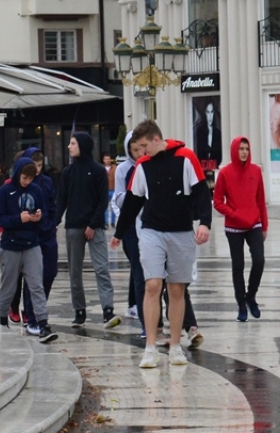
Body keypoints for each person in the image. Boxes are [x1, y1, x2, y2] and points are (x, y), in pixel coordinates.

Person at [114, 120, 211, 368]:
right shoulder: (143, 166)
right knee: (153, 284)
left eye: (145, 146)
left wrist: (204, 223)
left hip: (180, 231)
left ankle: (176, 345)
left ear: (156, 139)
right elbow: (133, 203)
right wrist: (119, 232)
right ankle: (150, 347)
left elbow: (201, 193)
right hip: (151, 231)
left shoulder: (186, 158)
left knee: (177, 289)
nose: (142, 152)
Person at [0, 158, 58, 343]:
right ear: (18, 173)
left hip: (32, 244)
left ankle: (43, 323)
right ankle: (3, 320)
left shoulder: (36, 190)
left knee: (36, 284)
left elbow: (43, 213)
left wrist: (38, 218)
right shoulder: (5, 191)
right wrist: (18, 219)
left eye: (30, 178)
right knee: (9, 286)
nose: (27, 182)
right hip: (11, 245)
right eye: (24, 177)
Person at [58, 132, 119, 329]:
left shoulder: (98, 170)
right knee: (74, 271)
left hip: (95, 227)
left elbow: (103, 200)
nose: (69, 147)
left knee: (101, 267)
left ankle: (107, 310)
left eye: (72, 143)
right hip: (74, 226)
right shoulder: (68, 172)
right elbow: (62, 200)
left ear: (82, 145)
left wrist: (93, 225)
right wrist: (53, 221)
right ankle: (79, 310)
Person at [212, 135, 268, 322]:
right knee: (238, 266)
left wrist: (264, 225)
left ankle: (251, 296)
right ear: (234, 150)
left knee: (259, 260)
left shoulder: (256, 171)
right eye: (241, 149)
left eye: (247, 149)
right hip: (234, 226)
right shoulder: (225, 173)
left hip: (254, 223)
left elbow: (260, 200)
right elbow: (218, 201)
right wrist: (233, 213)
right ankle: (241, 304)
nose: (244, 152)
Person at [19, 148, 58, 335]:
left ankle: (37, 306)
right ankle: (32, 315)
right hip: (31, 235)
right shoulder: (22, 184)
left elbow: (52, 205)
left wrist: (52, 223)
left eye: (41, 166)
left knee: (50, 272)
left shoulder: (47, 182)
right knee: (33, 276)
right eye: (35, 166)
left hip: (48, 232)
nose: (38, 170)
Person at [110, 135, 145, 333]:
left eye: (142, 148)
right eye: (134, 149)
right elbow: (118, 199)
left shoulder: (150, 164)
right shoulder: (123, 169)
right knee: (138, 270)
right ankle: (143, 317)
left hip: (150, 225)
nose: (139, 153)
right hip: (130, 228)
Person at [193, 100, 222, 165]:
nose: (210, 116)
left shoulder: (217, 133)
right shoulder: (200, 132)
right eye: (208, 112)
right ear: (205, 113)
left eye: (211, 112)